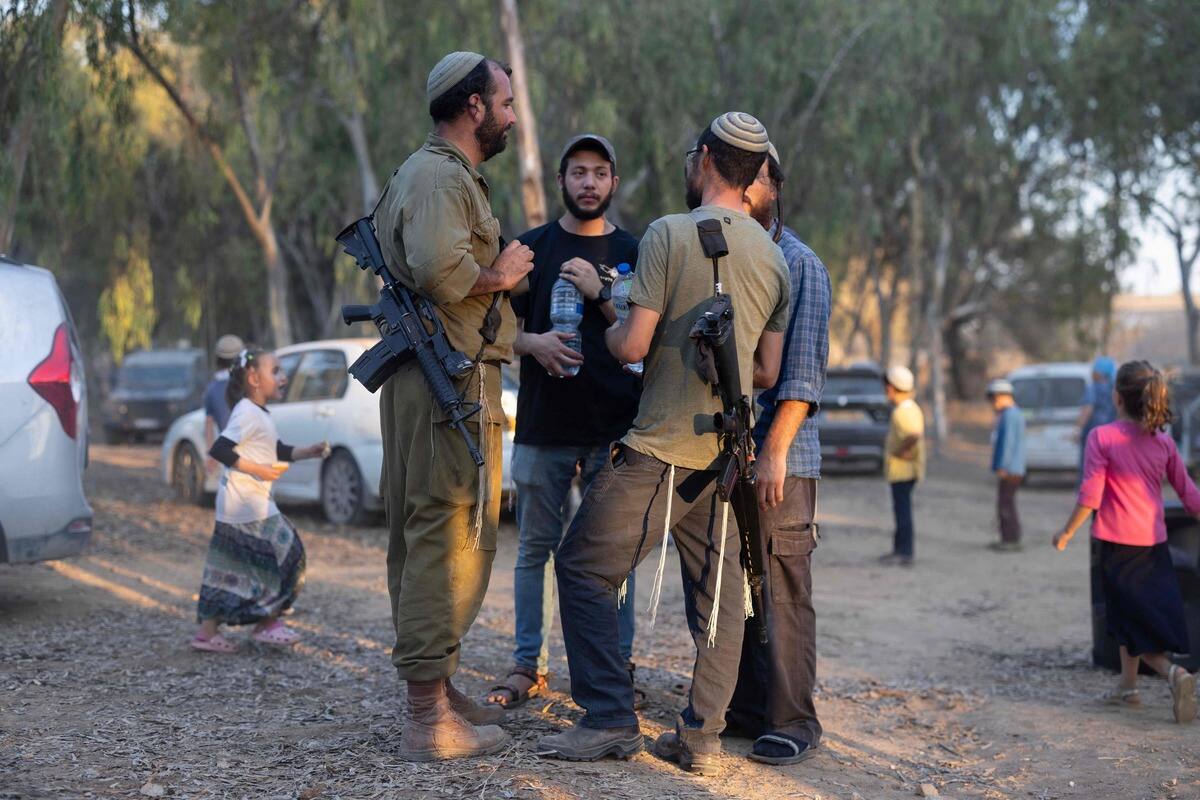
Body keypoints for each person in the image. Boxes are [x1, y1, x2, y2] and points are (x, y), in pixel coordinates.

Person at [537, 112, 790, 775]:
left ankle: (609, 719)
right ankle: (701, 739)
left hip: (654, 451)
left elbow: (632, 346)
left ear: (704, 159)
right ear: (753, 175)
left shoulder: (667, 235)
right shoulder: (774, 256)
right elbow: (765, 372)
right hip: (725, 456)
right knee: (720, 601)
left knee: (583, 567)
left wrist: (611, 312)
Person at [373, 51, 534, 762]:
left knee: (432, 529)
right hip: (450, 383)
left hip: (441, 375)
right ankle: (424, 718)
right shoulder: (441, 177)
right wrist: (502, 273)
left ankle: (437, 692)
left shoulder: (429, 172)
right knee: (448, 532)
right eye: (502, 102)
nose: (508, 114)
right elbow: (443, 269)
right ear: (473, 107)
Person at [486, 134, 643, 710]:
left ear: (613, 183)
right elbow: (493, 333)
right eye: (578, 172)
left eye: (599, 173)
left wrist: (600, 292)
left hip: (615, 430)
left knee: (614, 555)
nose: (588, 183)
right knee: (535, 550)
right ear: (561, 181)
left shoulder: (635, 250)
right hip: (543, 428)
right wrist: (535, 344)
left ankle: (614, 663)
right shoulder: (529, 249)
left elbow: (642, 336)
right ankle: (529, 664)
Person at [726, 143, 831, 765]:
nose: (746, 186)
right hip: (734, 457)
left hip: (783, 460)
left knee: (784, 589)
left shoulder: (800, 263)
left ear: (774, 186)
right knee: (739, 586)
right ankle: (747, 706)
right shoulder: (736, 257)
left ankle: (794, 720)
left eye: (757, 176)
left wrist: (773, 452)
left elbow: (802, 377)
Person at [1053, 360, 1198, 724]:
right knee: (1128, 616)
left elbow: (1090, 496)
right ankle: (1128, 688)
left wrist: (1067, 532)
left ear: (1117, 397)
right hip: (1154, 547)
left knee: (1129, 623)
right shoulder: (1163, 443)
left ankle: (1173, 675)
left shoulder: (1101, 437)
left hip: (1117, 547)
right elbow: (1189, 494)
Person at [192, 348, 328, 654]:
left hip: (244, 504)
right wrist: (258, 470)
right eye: (276, 371)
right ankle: (267, 623)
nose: (283, 377)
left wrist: (308, 451)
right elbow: (221, 449)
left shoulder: (258, 413)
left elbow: (273, 448)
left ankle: (207, 633)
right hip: (246, 505)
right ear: (254, 378)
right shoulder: (245, 412)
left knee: (228, 570)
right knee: (288, 554)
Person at [879, 365, 925, 566]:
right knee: (901, 511)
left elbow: (914, 434)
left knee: (902, 512)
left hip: (903, 471)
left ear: (891, 388)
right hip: (905, 471)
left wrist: (901, 451)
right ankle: (899, 549)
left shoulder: (903, 411)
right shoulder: (910, 407)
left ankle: (904, 552)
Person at [987, 378, 1026, 552]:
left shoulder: (1010, 415)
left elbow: (1008, 443)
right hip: (1014, 467)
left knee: (1006, 503)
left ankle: (1011, 538)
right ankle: (1007, 536)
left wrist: (1002, 465)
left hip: (1010, 468)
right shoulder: (1012, 413)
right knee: (1006, 502)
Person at [203, 334, 244, 475]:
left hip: (228, 454)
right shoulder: (249, 384)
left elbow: (208, 424)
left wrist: (211, 453)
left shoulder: (212, 389)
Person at [1077, 355, 1117, 466]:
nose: (1092, 372)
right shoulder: (1114, 389)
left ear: (1099, 372)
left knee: (1089, 466)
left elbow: (1087, 410)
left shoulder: (1093, 388)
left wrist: (1078, 429)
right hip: (1111, 436)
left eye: (1094, 369)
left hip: (1093, 435)